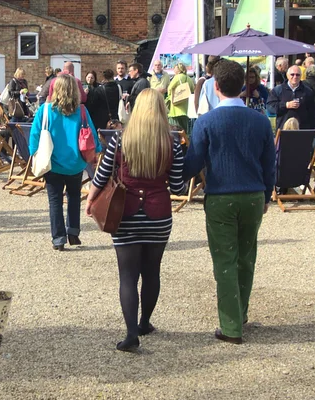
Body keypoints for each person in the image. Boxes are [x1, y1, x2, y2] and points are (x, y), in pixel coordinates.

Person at [91, 89, 186, 352]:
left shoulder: (120, 139)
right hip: (158, 214)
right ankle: (145, 321)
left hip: (126, 213)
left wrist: (90, 202)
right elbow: (178, 186)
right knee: (152, 271)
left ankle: (131, 332)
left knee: (127, 276)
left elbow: (101, 177)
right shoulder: (172, 142)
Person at [187, 59, 275, 344]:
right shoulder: (260, 121)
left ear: (215, 86)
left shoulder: (206, 122)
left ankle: (231, 325)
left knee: (225, 260)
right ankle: (241, 312)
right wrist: (268, 194)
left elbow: (192, 164)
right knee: (247, 257)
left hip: (221, 195)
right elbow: (270, 163)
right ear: (243, 86)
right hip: (253, 194)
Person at [29, 75, 100, 250]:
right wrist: (96, 152)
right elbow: (92, 135)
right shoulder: (82, 110)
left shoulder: (45, 110)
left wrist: (33, 155)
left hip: (52, 162)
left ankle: (58, 238)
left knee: (55, 201)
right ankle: (73, 232)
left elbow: (35, 136)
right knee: (74, 197)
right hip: (76, 162)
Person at [269, 63, 315, 132]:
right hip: (283, 129)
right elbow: (270, 107)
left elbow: (313, 113)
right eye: (292, 74)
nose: (295, 77)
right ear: (287, 75)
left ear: (301, 76)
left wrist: (313, 131)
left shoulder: (307, 91)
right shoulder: (278, 90)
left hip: (302, 131)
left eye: (297, 75)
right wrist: (286, 105)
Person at [165, 63, 195, 135]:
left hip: (175, 108)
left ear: (178, 70)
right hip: (185, 108)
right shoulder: (188, 78)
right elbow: (192, 89)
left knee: (175, 130)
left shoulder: (177, 77)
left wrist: (169, 96)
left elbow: (170, 89)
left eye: (174, 69)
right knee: (185, 130)